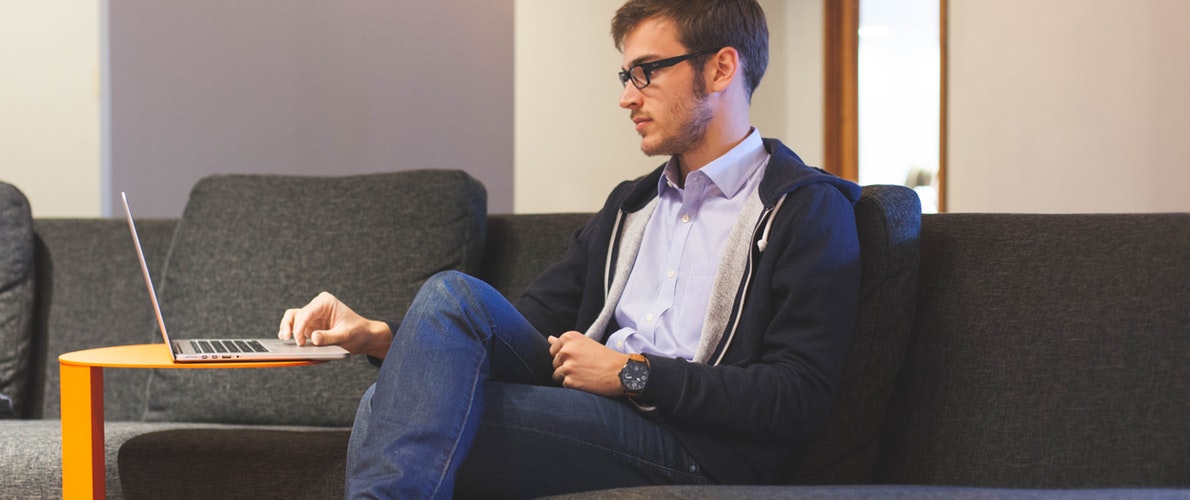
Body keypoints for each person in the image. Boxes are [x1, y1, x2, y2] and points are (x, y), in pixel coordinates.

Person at [278, 0, 861, 497]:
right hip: (597, 411)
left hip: (697, 447)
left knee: (391, 409)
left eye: (647, 72)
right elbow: (525, 324)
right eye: (625, 76)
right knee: (450, 297)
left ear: (720, 68)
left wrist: (631, 375)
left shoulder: (804, 209)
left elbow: (796, 396)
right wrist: (378, 334)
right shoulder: (632, 206)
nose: (627, 98)